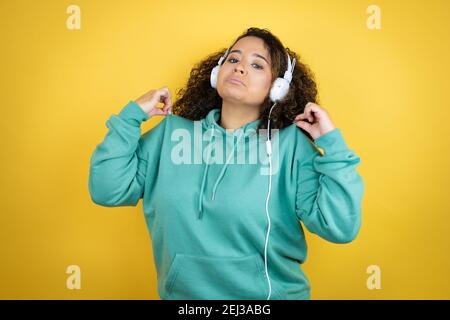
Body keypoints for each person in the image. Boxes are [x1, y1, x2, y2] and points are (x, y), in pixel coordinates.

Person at [88, 27, 364, 300]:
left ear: (278, 88)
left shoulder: (289, 145)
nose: (240, 68)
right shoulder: (171, 135)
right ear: (215, 73)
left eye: (257, 65)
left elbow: (338, 227)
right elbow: (107, 191)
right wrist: (130, 118)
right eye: (233, 59)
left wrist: (333, 145)